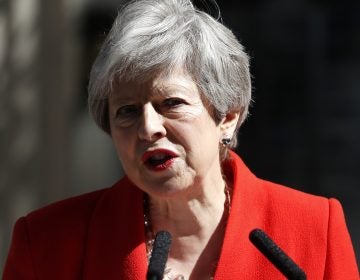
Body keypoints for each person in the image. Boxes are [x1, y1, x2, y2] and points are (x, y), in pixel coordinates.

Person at [3, 0, 358, 279]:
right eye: (126, 111)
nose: (148, 128)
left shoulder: (314, 228)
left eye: (170, 103)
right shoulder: (47, 242)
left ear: (228, 116)